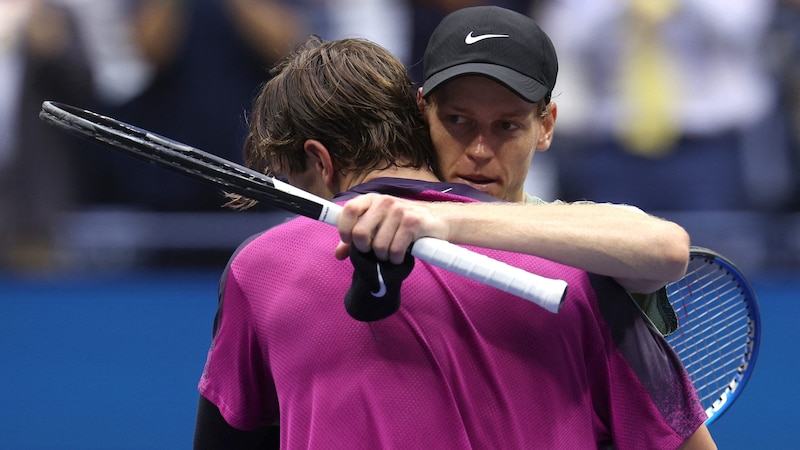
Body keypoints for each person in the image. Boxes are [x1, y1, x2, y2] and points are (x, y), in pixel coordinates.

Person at [193, 35, 712, 449]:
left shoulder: (259, 268)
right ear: (421, 116)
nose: (481, 149)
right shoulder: (580, 273)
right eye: (459, 120)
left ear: (321, 162)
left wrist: (438, 223)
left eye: (506, 124)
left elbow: (666, 248)